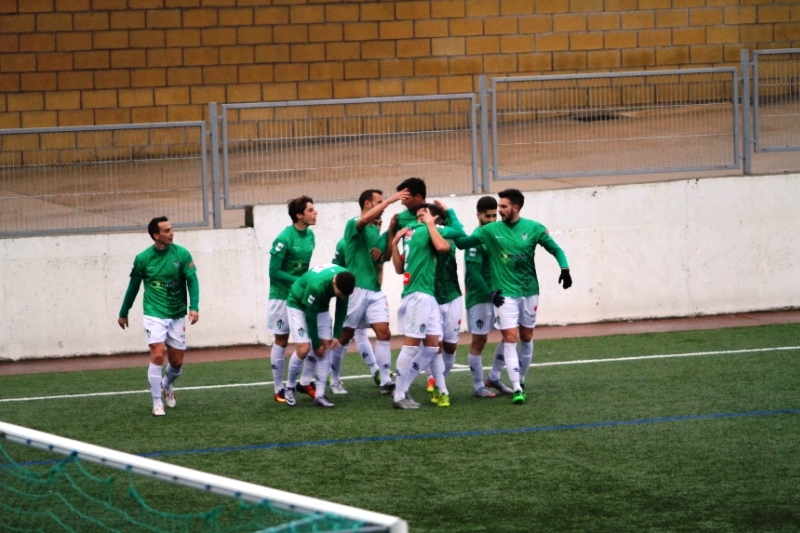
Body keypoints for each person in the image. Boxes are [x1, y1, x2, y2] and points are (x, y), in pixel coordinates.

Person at [457, 189, 572, 405]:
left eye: (502, 207)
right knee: (507, 338)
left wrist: (564, 269)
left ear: (515, 208)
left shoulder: (533, 228)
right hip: (501, 294)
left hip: (528, 291)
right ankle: (512, 387)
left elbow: (556, 249)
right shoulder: (489, 231)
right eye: (496, 209)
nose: (498, 212)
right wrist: (449, 222)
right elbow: (462, 245)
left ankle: (506, 378)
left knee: (525, 336)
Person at [327, 188, 409, 395]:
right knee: (345, 336)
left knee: (384, 333)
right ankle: (334, 379)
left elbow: (386, 257)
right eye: (379, 202)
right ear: (367, 204)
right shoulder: (354, 224)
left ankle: (385, 381)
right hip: (356, 289)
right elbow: (364, 220)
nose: (382, 205)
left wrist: (391, 231)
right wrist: (390, 200)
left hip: (374, 290)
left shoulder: (375, 231)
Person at [118, 216, 199, 417]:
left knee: (177, 363)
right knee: (157, 354)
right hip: (154, 313)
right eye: (167, 230)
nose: (172, 233)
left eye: (171, 229)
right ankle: (157, 403)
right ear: (156, 235)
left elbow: (192, 281)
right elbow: (133, 287)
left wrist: (194, 307)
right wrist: (123, 312)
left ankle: (166, 384)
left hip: (177, 313)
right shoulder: (143, 259)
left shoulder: (182, 254)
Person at [390, 204, 466, 410]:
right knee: (411, 345)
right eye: (422, 214)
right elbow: (447, 244)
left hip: (427, 296)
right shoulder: (426, 229)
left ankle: (406, 387)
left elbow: (399, 268)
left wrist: (394, 243)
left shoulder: (410, 232)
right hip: (418, 295)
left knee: (432, 347)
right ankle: (399, 395)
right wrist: (435, 221)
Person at [267, 196, 317, 404]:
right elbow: (273, 271)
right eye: (310, 210)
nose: (315, 213)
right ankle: (278, 387)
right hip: (281, 296)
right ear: (299, 215)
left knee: (312, 339)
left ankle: (304, 381)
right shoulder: (284, 238)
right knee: (281, 339)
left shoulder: (311, 236)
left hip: (300, 297)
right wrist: (299, 281)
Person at [284, 264, 356, 408]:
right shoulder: (317, 285)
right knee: (304, 349)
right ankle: (289, 387)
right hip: (298, 305)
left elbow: (342, 308)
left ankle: (320, 395)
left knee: (327, 347)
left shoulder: (346, 280)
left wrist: (336, 335)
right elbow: (310, 317)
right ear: (334, 282)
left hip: (321, 306)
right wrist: (316, 345)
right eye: (339, 294)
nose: (341, 297)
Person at [463, 197, 511, 398]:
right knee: (479, 341)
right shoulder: (476, 239)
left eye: (494, 216)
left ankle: (494, 377)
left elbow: (505, 259)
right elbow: (473, 272)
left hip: (499, 295)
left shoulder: (497, 236)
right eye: (487, 216)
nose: (491, 220)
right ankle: (478, 386)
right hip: (481, 297)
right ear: (478, 216)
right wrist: (489, 293)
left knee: (510, 336)